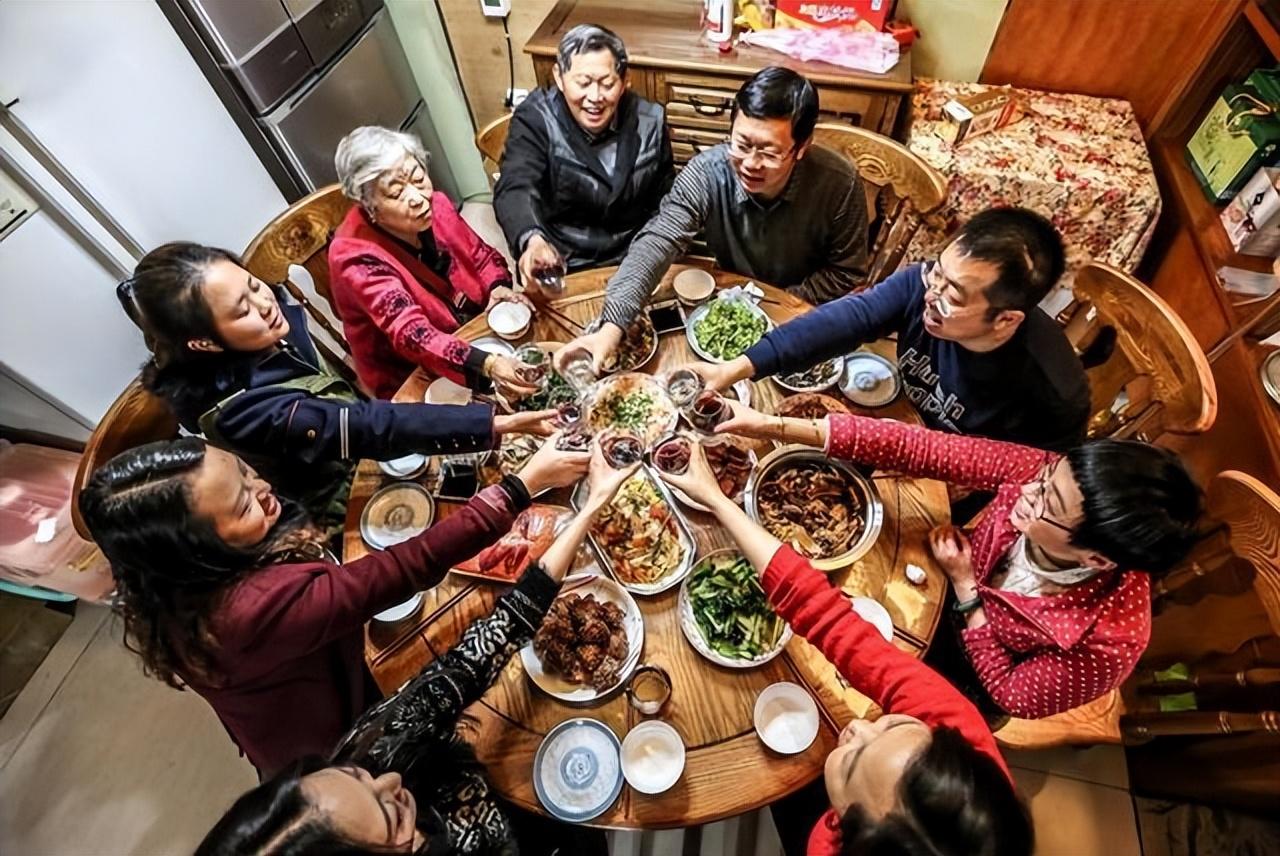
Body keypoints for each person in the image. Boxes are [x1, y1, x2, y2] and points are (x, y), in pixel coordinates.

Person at [195, 446, 633, 855]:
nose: (388, 779)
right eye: (391, 815)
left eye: (351, 774)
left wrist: (593, 506)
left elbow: (484, 646)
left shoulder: (372, 752)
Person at [78, 435, 588, 777]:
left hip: (300, 694)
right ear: (198, 552)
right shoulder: (248, 613)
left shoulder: (166, 585)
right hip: (327, 749)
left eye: (243, 471)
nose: (262, 488)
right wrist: (522, 485)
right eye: (242, 505)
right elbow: (408, 567)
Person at [654, 444, 1033, 856]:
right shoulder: (956, 755)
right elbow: (834, 622)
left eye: (853, 761)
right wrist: (717, 501)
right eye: (894, 725)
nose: (857, 726)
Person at [713, 402, 1203, 719]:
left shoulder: (1114, 640)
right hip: (936, 585)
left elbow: (1009, 693)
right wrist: (773, 426)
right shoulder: (1051, 478)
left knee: (847, 713)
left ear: (1096, 558)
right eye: (1048, 476)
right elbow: (925, 448)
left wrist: (968, 590)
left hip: (966, 679)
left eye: (1045, 504)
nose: (1027, 489)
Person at [121, 242, 553, 527]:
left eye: (254, 285)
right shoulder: (241, 410)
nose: (266, 304)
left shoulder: (254, 333)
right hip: (342, 500)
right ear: (203, 342)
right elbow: (371, 427)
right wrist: (500, 424)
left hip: (363, 437)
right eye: (242, 309)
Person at [688, 206, 1091, 453]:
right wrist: (736, 368)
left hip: (954, 475)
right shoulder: (924, 284)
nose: (932, 294)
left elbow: (1033, 476)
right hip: (892, 424)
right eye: (938, 272)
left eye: (955, 294)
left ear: (1006, 319)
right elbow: (846, 320)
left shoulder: (1054, 392)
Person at [558, 65, 869, 374]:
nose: (750, 163)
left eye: (770, 153)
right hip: (729, 302)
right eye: (742, 144)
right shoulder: (707, 172)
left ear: (801, 147)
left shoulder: (840, 184)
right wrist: (613, 325)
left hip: (796, 315)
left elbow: (846, 273)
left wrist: (777, 303)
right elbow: (658, 240)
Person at [331, 126, 536, 400]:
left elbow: (481, 256)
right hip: (412, 373)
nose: (418, 198)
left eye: (418, 178)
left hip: (468, 333)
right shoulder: (354, 258)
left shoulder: (433, 203)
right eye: (395, 194)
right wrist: (487, 364)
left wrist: (497, 286)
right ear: (368, 206)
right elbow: (413, 334)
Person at [494, 23, 673, 284]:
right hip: (564, 259)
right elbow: (516, 185)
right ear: (559, 77)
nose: (595, 97)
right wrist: (533, 241)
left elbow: (666, 197)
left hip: (635, 254)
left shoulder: (650, 120)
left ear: (625, 81)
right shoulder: (536, 119)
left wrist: (654, 249)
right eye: (583, 82)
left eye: (606, 83)